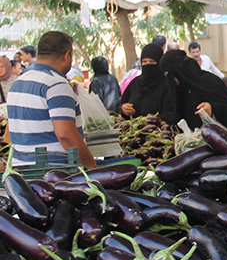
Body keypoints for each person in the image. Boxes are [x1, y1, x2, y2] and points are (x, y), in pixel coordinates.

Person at [7, 31, 97, 168]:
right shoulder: (56, 85)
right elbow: (66, 135)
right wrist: (93, 169)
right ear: (67, 56)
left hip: (21, 174)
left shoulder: (17, 83)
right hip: (54, 175)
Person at [160, 50, 227, 129]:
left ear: (177, 71)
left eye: (167, 74)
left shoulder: (210, 82)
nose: (168, 80)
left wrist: (213, 109)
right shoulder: (180, 91)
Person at [118, 44, 179, 125]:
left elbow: (171, 115)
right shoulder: (135, 83)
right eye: (144, 62)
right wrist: (123, 108)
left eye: (152, 62)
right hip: (132, 133)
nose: (148, 65)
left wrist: (148, 122)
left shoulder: (168, 85)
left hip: (158, 134)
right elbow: (119, 105)